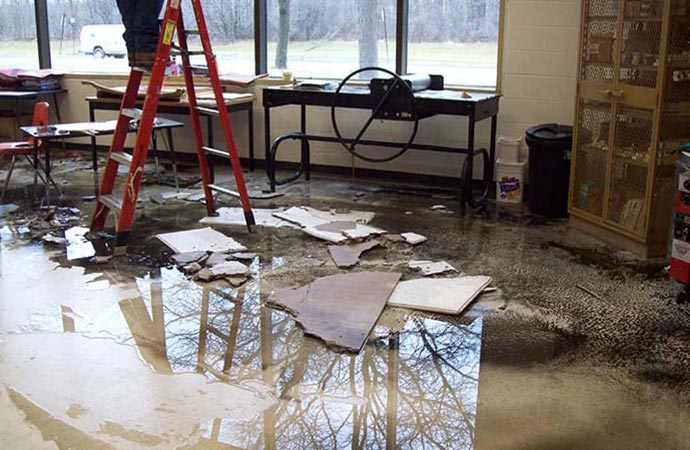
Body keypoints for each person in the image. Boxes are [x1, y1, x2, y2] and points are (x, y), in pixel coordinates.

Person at [116, 0, 165, 70]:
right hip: (146, 47)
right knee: (145, 20)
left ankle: (137, 54)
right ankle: (146, 54)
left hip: (135, 47)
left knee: (131, 20)